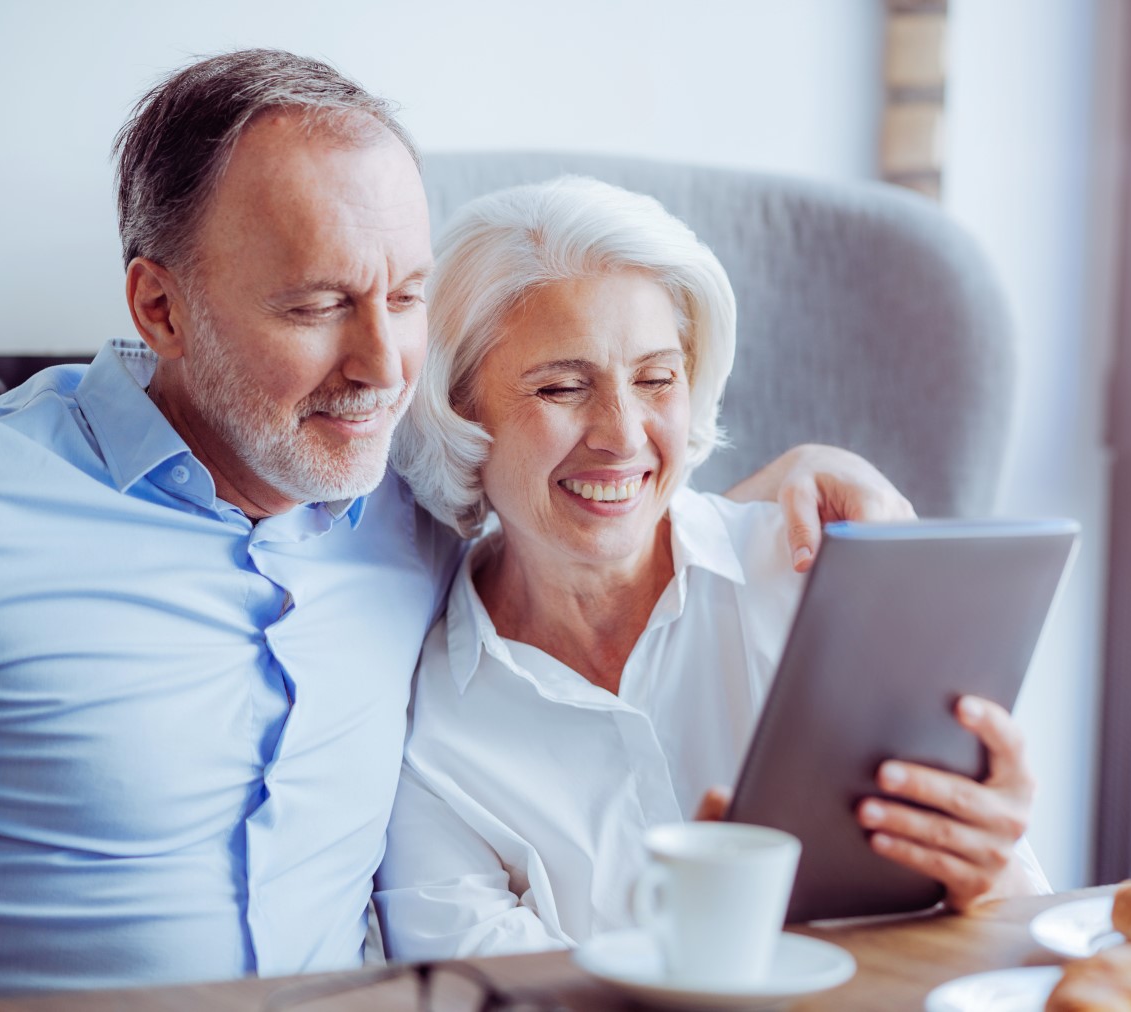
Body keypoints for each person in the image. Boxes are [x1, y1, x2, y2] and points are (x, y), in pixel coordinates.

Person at [0, 50, 911, 994]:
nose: (384, 365)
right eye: (320, 302)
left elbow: (585, 500)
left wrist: (795, 479)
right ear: (159, 307)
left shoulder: (399, 497)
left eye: (407, 295)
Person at [372, 177, 1046, 960]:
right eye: (562, 386)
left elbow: (1021, 926)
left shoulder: (810, 585)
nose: (623, 436)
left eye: (657, 379)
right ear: (459, 410)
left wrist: (988, 874)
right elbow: (498, 998)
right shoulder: (432, 736)